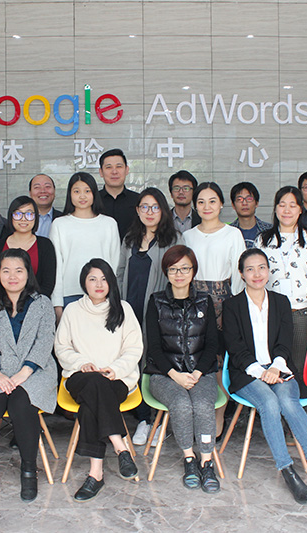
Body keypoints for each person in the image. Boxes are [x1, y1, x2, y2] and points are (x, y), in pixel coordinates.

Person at [223, 249, 307, 504]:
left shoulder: (281, 302)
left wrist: (275, 367)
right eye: (250, 269)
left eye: (262, 267)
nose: (257, 274)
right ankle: (287, 470)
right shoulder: (232, 306)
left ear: (268, 270)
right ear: (241, 273)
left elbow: (285, 342)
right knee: (269, 402)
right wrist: (261, 372)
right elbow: (235, 347)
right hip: (247, 372)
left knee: (287, 401)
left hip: (279, 366)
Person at [54, 259, 143, 501]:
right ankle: (120, 446)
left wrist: (115, 369)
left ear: (111, 281)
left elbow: (134, 349)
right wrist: (82, 363)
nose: (99, 284)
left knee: (91, 402)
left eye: (104, 279)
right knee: (93, 383)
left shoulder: (123, 309)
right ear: (84, 283)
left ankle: (96, 474)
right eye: (92, 279)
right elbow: (61, 347)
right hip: (80, 376)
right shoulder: (73, 310)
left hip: (116, 379)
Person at [0, 249, 57, 502]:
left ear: (28, 273)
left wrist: (25, 372)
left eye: (19, 270)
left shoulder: (42, 304)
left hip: (35, 371)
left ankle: (29, 469)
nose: (12, 276)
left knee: (22, 405)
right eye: (6, 270)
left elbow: (45, 341)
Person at [144, 245, 221, 493]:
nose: (179, 274)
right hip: (164, 374)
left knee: (202, 404)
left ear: (193, 271)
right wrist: (175, 375)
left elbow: (212, 345)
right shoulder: (156, 301)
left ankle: (206, 461)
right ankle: (189, 458)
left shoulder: (204, 301)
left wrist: (196, 373)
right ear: (166, 272)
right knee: (181, 404)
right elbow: (154, 348)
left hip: (201, 373)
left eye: (185, 268)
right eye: (173, 269)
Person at [116, 187, 182, 445]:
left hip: (159, 311)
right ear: (137, 210)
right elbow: (121, 272)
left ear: (163, 210)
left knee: (155, 362)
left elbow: (179, 276)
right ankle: (143, 419)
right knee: (134, 361)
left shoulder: (173, 239)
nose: (150, 212)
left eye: (155, 207)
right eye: (144, 207)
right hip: (130, 309)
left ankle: (158, 420)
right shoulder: (130, 239)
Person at [182, 181, 246, 435]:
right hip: (192, 301)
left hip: (223, 301)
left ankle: (218, 418)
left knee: (219, 361)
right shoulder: (188, 235)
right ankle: (195, 415)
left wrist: (237, 310)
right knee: (193, 358)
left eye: (212, 201)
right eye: (201, 202)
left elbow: (239, 275)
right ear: (195, 206)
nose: (206, 206)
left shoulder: (232, 234)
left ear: (221, 204)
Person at [254, 186, 307, 397]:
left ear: (300, 209)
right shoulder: (262, 240)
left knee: (297, 363)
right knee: (271, 361)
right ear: (275, 208)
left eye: (292, 205)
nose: (287, 210)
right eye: (282, 205)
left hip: (301, 312)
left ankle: (297, 405)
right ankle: (273, 403)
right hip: (270, 313)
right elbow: (255, 277)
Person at [49, 172, 120, 322]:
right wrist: (57, 303)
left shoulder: (109, 224)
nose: (82, 196)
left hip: (102, 294)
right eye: (76, 191)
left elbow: (115, 264)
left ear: (94, 193)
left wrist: (114, 296)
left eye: (87, 191)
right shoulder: (59, 224)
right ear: (70, 194)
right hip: (70, 294)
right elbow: (56, 267)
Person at [0, 196, 57, 299]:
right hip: (2, 304)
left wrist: (30, 303)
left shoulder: (45, 245)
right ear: (11, 216)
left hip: (36, 303)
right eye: (18, 214)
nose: (23, 219)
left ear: (36, 217)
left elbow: (48, 284)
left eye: (29, 214)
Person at [98, 148, 139, 240]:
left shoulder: (138, 200)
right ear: (101, 172)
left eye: (119, 166)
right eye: (109, 167)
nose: (114, 172)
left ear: (127, 170)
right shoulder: (92, 201)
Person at [229, 182, 272, 249]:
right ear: (233, 205)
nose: (244, 203)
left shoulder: (269, 230)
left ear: (256, 203)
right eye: (239, 199)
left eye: (249, 199)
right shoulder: (228, 232)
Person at [29, 173, 63, 238]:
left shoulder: (63, 219)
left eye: (47, 186)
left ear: (54, 191)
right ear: (30, 193)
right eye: (37, 187)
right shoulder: (22, 220)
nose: (43, 191)